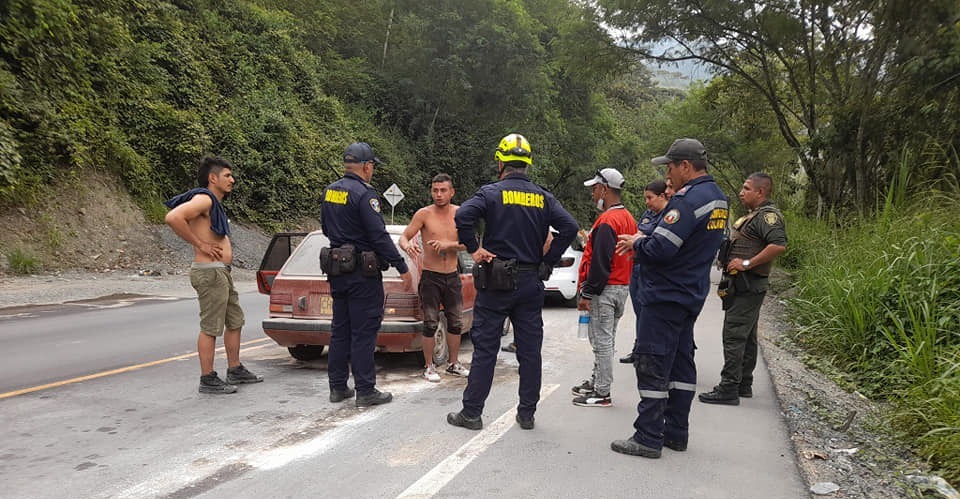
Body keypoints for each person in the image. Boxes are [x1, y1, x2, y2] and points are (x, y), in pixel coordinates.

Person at [447, 133, 578, 431]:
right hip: (531, 280)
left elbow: (464, 216)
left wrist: (473, 248)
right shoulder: (542, 196)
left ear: (500, 162)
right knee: (530, 350)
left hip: (495, 280)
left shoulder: (491, 193)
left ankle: (472, 413)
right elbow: (569, 226)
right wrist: (548, 260)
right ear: (528, 163)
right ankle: (527, 414)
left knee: (486, 349)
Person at [611, 138, 728, 458]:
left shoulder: (687, 200)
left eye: (670, 167)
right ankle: (676, 431)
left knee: (652, 362)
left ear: (686, 167)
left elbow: (662, 248)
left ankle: (648, 435)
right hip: (690, 293)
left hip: (664, 295)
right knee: (680, 363)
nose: (668, 175)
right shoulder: (718, 199)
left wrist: (637, 243)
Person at [320, 142, 414, 407]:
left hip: (338, 270)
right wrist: (401, 266)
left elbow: (326, 228)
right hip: (362, 273)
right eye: (372, 166)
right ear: (366, 166)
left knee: (340, 329)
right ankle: (365, 390)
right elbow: (379, 235)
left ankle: (338, 387)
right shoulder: (365, 194)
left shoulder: (330, 191)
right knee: (363, 331)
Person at [164, 156, 263, 394]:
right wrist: (201, 245)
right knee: (211, 327)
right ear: (213, 178)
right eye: (227, 175)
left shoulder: (212, 203)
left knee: (235, 321)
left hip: (221, 273)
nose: (232, 180)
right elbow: (173, 217)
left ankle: (235, 368)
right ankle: (207, 378)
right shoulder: (204, 199)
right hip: (209, 273)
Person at [699, 172, 787, 405]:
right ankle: (743, 384)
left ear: (760, 192)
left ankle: (728, 387)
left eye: (747, 188)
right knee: (746, 336)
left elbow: (778, 245)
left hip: (749, 283)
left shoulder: (768, 217)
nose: (741, 192)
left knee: (734, 334)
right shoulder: (754, 216)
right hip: (742, 284)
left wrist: (746, 263)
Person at [570, 168, 637, 408]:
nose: (592, 194)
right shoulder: (628, 217)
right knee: (607, 339)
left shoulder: (608, 220)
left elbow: (600, 262)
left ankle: (602, 392)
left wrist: (587, 293)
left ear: (605, 189)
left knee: (601, 342)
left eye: (594, 189)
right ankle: (598, 380)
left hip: (605, 289)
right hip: (621, 286)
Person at [399, 173, 471, 382]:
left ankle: (453, 362)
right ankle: (429, 366)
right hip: (431, 276)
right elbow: (404, 237)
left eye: (443, 190)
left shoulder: (460, 213)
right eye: (435, 190)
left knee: (455, 321)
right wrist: (408, 245)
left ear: (451, 192)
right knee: (430, 322)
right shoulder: (424, 214)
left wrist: (450, 245)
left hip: (452, 275)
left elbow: (469, 243)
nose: (438, 195)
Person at [620, 179, 673, 364]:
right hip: (638, 269)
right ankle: (639, 348)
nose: (647, 202)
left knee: (652, 314)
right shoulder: (648, 214)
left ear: (662, 196)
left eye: (650, 198)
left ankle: (652, 352)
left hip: (655, 273)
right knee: (639, 312)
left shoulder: (670, 217)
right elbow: (639, 234)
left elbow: (652, 241)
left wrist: (640, 239)